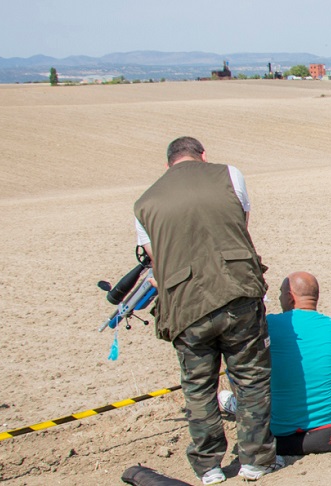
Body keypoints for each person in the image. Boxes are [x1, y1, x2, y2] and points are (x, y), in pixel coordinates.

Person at [134, 136, 281, 484]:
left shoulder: (145, 202)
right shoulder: (229, 174)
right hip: (237, 291)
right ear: (202, 156)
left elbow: (156, 259)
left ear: (169, 163)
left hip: (185, 305)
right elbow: (239, 226)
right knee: (250, 378)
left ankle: (209, 466)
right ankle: (256, 460)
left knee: (198, 387)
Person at [218, 271, 331, 456]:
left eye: (281, 293)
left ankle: (241, 407)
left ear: (290, 298)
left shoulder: (269, 324)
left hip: (282, 435)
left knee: (238, 366)